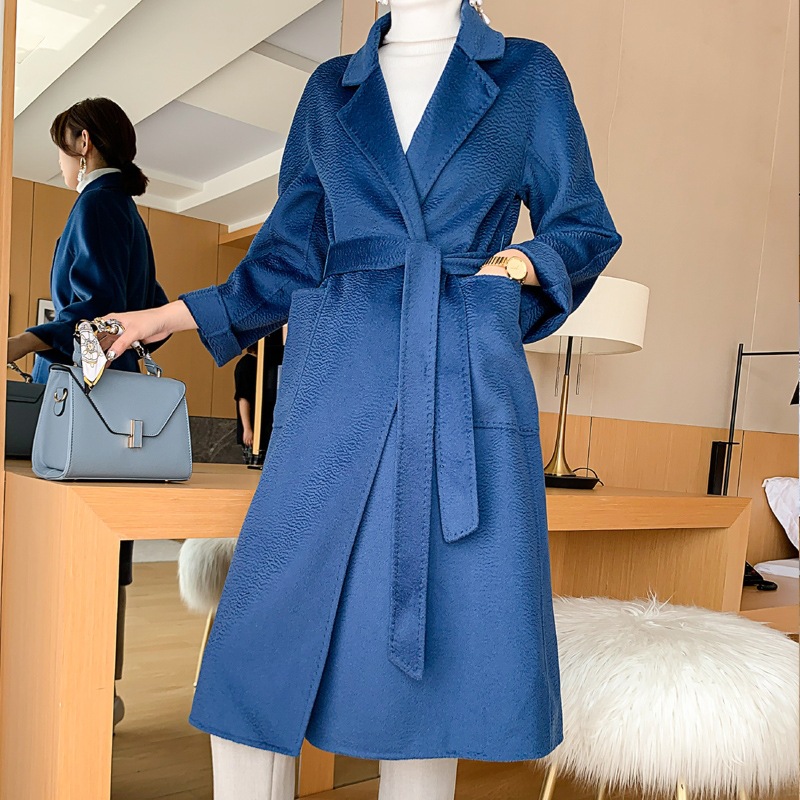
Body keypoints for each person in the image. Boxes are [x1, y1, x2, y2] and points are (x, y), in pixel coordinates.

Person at [97, 0, 623, 796]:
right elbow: (285, 256)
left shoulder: (526, 72)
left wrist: (511, 269)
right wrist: (161, 316)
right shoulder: (330, 89)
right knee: (257, 646)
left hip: (458, 376)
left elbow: (582, 223)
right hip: (333, 379)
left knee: (426, 675)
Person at [6, 97, 170, 730]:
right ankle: (98, 687)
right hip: (116, 404)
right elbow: (152, 319)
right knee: (103, 547)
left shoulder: (96, 204)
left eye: (60, 145)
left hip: (81, 401)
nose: (59, 161)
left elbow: (95, 309)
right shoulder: (127, 211)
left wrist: (26, 340)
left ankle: (65, 694)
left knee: (63, 542)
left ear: (82, 142)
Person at [233, 329, 284, 465]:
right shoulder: (246, 365)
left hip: (267, 428)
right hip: (254, 430)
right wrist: (248, 429)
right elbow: (243, 398)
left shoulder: (268, 365)